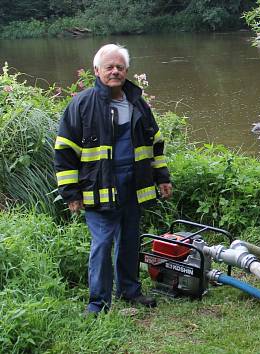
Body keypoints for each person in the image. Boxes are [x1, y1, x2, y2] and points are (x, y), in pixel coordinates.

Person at [54, 44, 173, 314]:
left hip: (134, 186)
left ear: (127, 71)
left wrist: (162, 177)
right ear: (97, 70)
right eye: (109, 67)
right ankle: (99, 302)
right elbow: (64, 150)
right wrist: (70, 193)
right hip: (98, 189)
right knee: (103, 244)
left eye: (120, 67)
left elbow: (155, 144)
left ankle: (130, 291)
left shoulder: (137, 103)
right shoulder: (81, 104)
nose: (115, 71)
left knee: (130, 240)